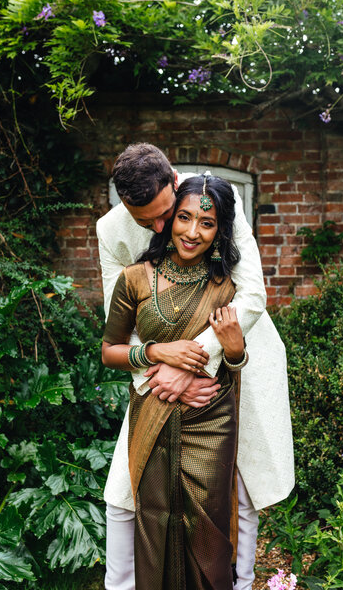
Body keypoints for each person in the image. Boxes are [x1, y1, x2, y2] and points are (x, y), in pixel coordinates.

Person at [97, 143, 294, 590]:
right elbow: (119, 327)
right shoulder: (110, 232)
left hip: (237, 348)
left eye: (166, 212)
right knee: (123, 494)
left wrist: (193, 363)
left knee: (240, 486)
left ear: (174, 181)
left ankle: (239, 583)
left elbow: (252, 295)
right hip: (156, 378)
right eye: (146, 222)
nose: (163, 228)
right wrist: (161, 371)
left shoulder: (210, 198)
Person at [102, 175, 247, 588]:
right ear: (169, 220)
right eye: (184, 217)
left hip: (210, 420)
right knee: (155, 519)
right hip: (153, 415)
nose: (192, 232)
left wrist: (235, 351)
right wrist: (155, 352)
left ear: (220, 231)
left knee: (208, 531)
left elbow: (231, 369)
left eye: (207, 223)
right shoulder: (134, 279)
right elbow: (109, 350)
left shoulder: (227, 287)